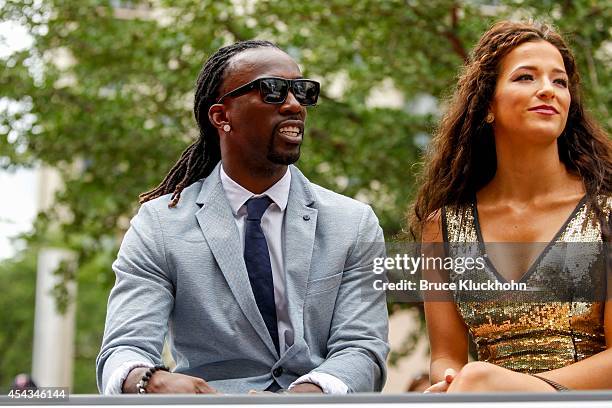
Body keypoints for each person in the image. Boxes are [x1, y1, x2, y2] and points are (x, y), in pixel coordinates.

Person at [95, 40, 388, 395]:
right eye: (273, 91)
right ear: (221, 116)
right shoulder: (159, 225)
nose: (294, 105)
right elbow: (122, 349)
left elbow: (363, 348)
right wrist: (151, 381)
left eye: (302, 91)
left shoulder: (354, 223)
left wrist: (306, 396)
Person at [409, 21, 611, 392]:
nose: (548, 90)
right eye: (525, 78)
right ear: (488, 103)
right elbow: (446, 357)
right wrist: (452, 382)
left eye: (559, 81)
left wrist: (513, 386)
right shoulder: (442, 226)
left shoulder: (605, 213)